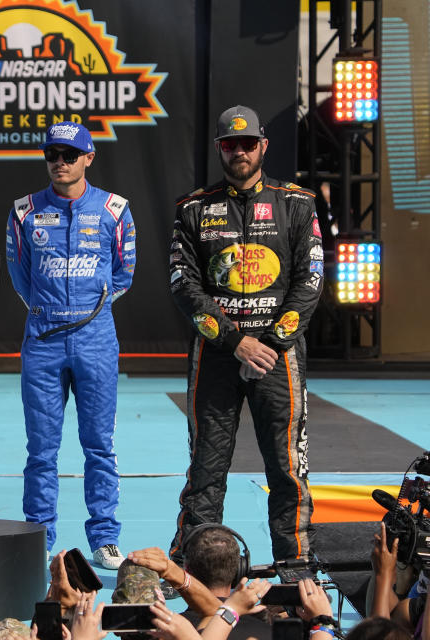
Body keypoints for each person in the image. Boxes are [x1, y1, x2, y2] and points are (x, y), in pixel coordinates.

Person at [168, 105, 323, 563]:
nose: (239, 151)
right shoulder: (192, 208)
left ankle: (295, 562)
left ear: (263, 146)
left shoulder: (296, 203)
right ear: (219, 148)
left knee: (287, 467)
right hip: (217, 357)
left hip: (279, 358)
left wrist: (270, 344)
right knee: (206, 468)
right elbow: (183, 285)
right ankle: (194, 563)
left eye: (247, 144)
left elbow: (310, 280)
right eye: (230, 144)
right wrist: (237, 342)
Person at [5, 121, 136, 570]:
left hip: (96, 339)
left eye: (69, 154)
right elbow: (19, 274)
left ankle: (104, 536)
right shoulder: (23, 210)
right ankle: (39, 533)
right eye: (52, 154)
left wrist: (86, 313)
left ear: (88, 157)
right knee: (41, 448)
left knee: (99, 444)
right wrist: (51, 311)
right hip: (42, 339)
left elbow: (124, 273)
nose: (59, 162)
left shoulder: (115, 210)